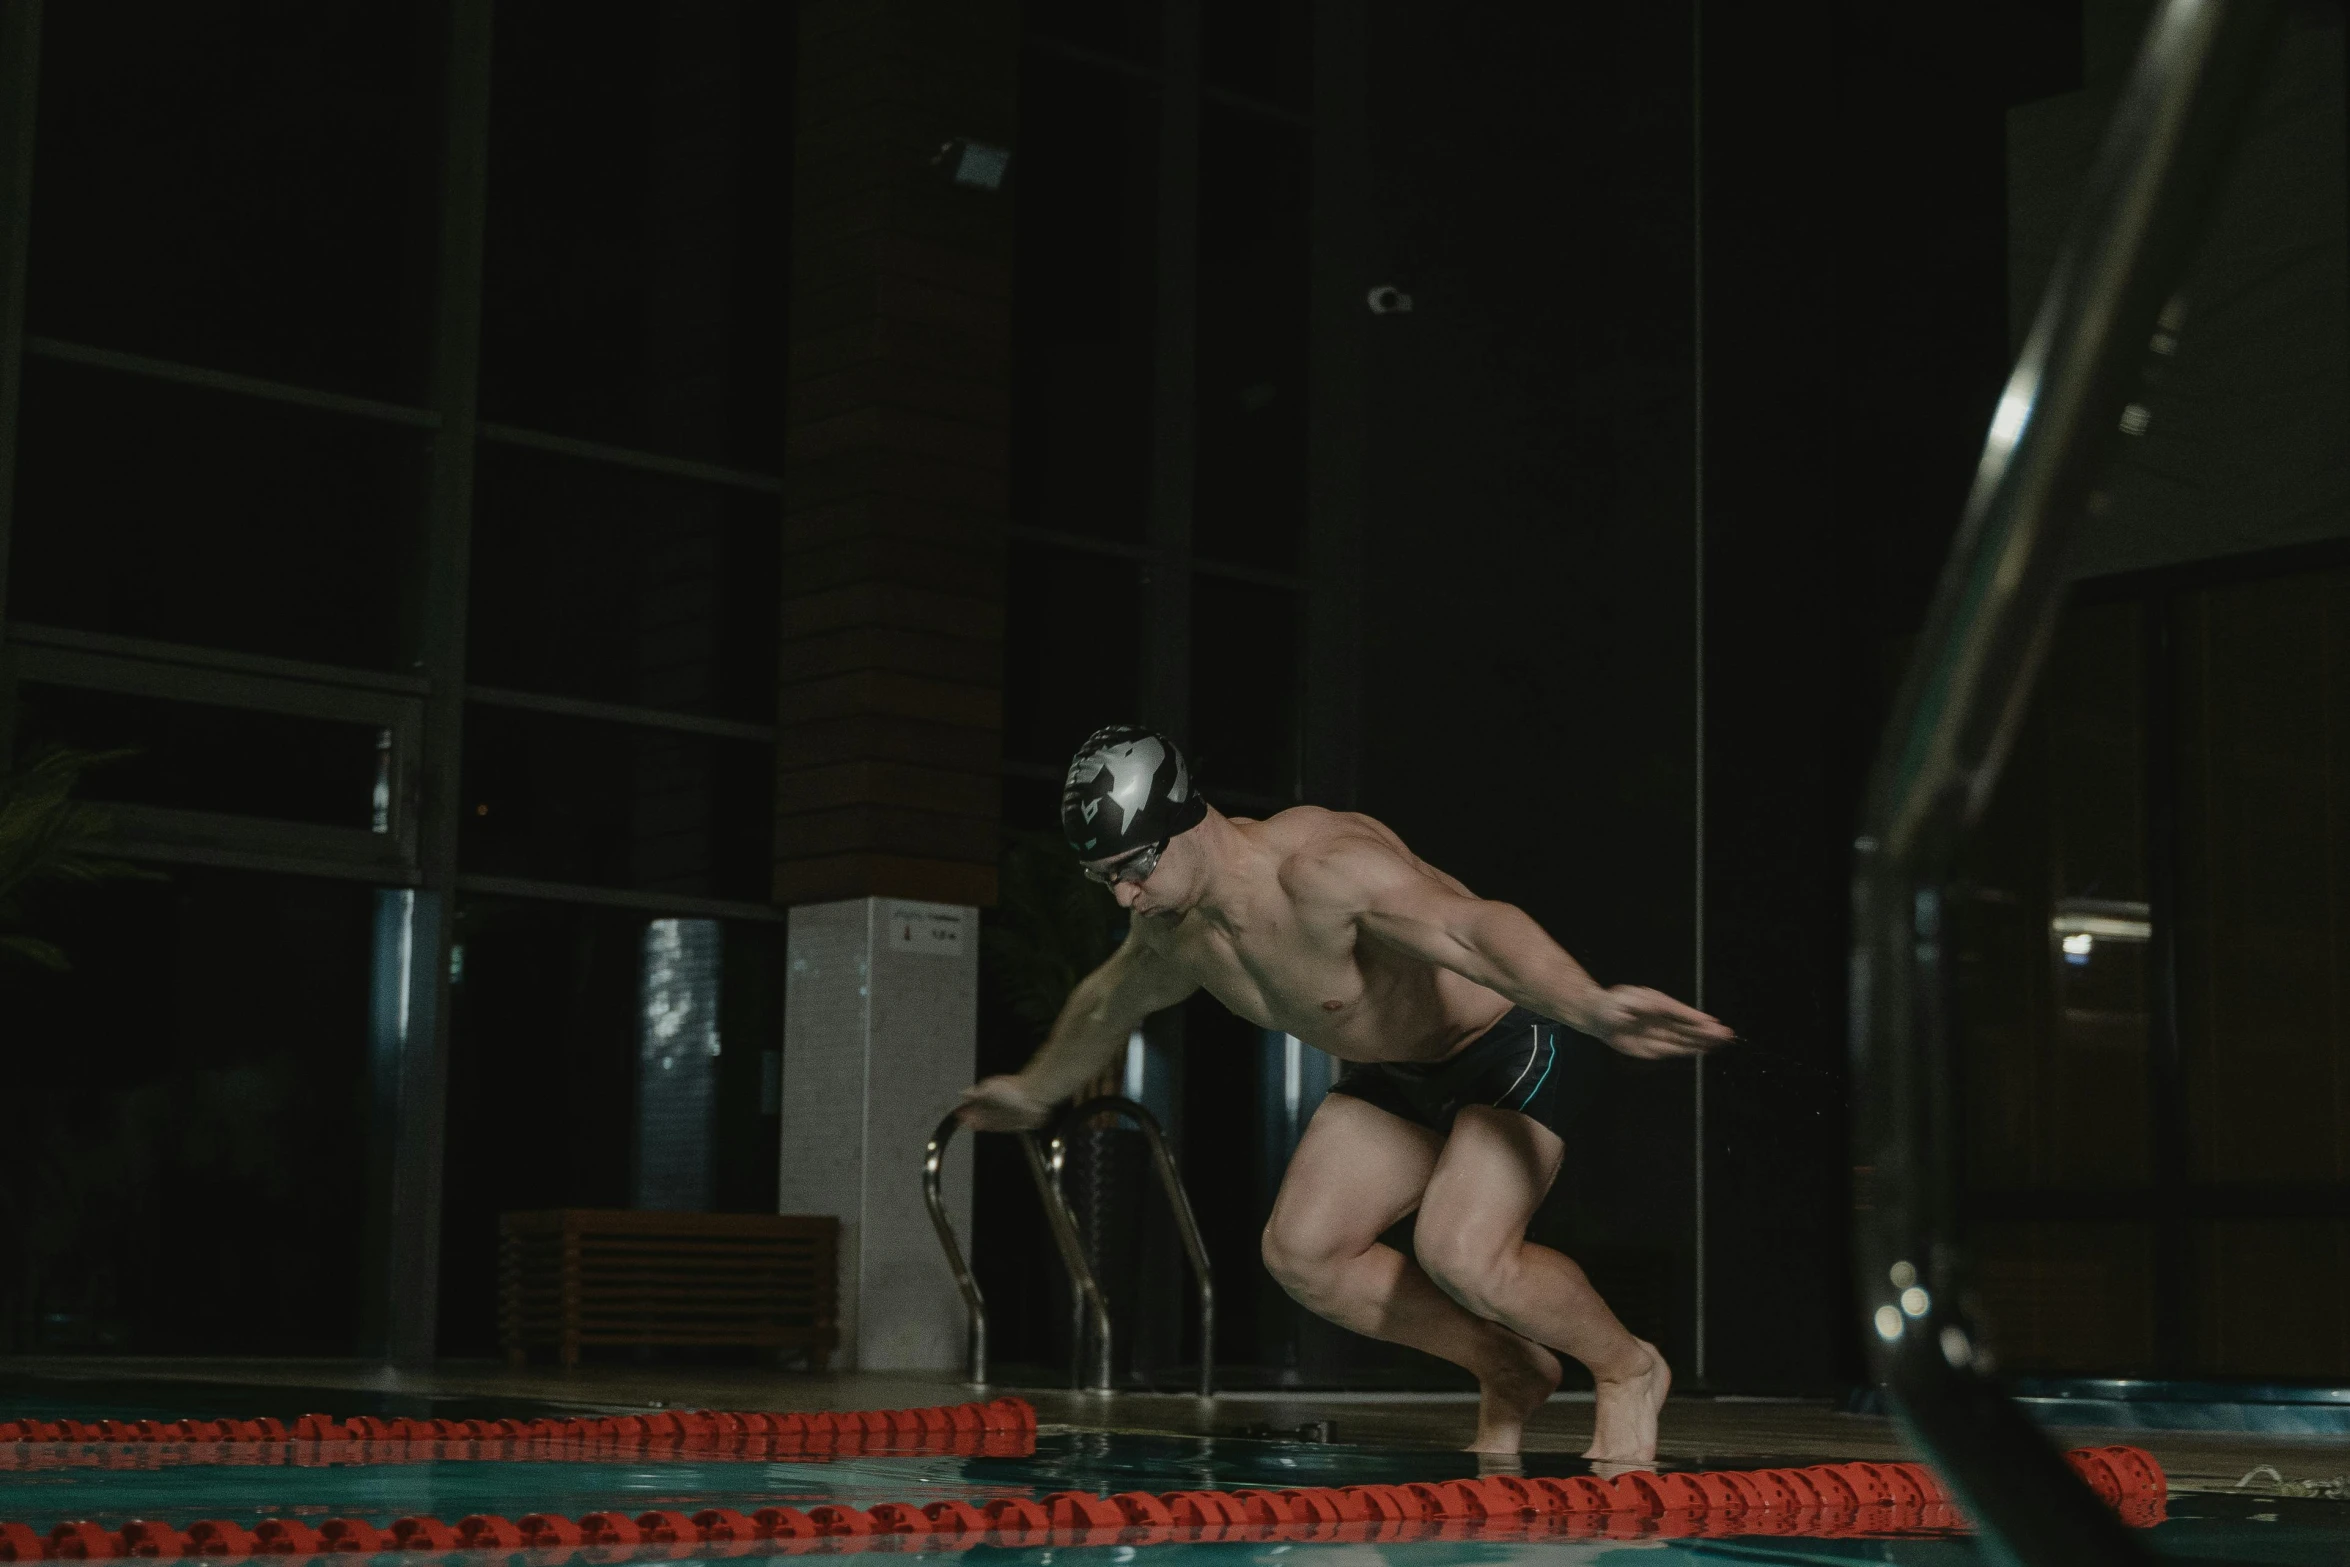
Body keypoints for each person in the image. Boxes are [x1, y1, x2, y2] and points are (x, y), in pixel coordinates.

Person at [958, 725, 1732, 1459]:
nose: (1125, 895)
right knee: (1303, 1253)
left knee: (1461, 1252)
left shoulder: (1320, 866)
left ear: (1186, 818)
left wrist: (1591, 1004)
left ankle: (1628, 1367)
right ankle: (1510, 1366)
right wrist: (1034, 1091)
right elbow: (1105, 1001)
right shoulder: (1176, 933)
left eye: (1132, 866)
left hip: (1505, 1042)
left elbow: (1472, 929)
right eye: (1106, 876)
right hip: (1400, 1072)